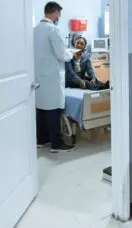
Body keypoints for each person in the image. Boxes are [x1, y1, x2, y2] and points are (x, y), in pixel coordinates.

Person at [34, 2, 79, 153]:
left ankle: (41, 139)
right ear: (53, 13)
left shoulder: (35, 30)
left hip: (39, 76)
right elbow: (62, 54)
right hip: (52, 76)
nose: (59, 17)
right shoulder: (53, 29)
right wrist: (71, 53)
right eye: (59, 14)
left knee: (40, 107)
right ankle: (56, 144)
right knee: (53, 109)